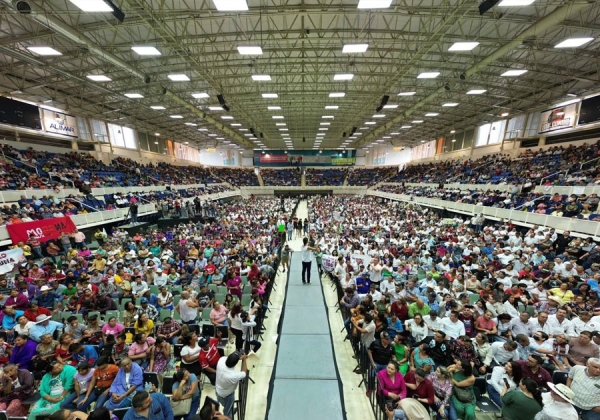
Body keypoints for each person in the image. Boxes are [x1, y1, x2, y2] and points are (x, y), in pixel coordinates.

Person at [215, 352, 248, 419]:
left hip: (218, 391)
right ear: (235, 364)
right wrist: (244, 359)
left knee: (228, 407)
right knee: (227, 413)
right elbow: (244, 372)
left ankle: (231, 409)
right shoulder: (233, 375)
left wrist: (237, 357)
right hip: (227, 396)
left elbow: (229, 358)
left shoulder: (221, 360)